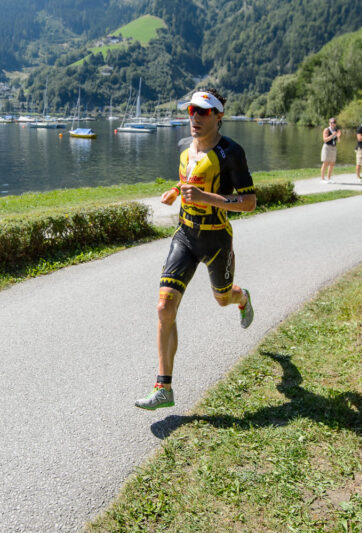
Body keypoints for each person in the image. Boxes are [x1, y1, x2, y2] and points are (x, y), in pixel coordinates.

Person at [135, 88, 257, 410]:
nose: (194, 117)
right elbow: (189, 180)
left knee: (222, 299)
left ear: (218, 116)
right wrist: (175, 190)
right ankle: (164, 388)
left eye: (202, 112)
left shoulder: (232, 153)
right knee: (164, 308)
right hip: (185, 237)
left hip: (217, 240)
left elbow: (249, 202)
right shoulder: (185, 149)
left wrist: (207, 199)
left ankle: (242, 297)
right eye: (191, 111)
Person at [321, 117, 341, 183]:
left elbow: (338, 141)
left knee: (332, 163)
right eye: (331, 122)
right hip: (327, 147)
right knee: (325, 162)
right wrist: (332, 135)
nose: (333, 124)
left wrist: (338, 137)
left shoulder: (336, 130)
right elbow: (325, 139)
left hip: (333, 147)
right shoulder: (326, 130)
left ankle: (329, 178)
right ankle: (323, 179)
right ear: (329, 123)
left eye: (334, 122)